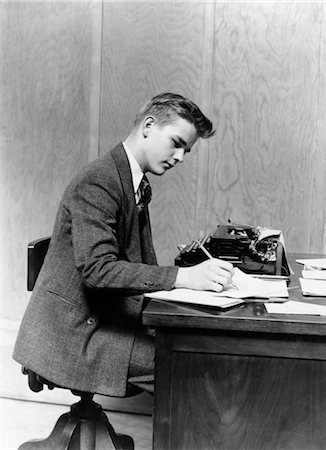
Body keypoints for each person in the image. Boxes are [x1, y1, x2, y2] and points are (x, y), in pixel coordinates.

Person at [13, 92, 234, 396]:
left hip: (100, 320)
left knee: (194, 350)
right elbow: (98, 271)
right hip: (72, 335)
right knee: (188, 364)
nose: (180, 157)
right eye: (177, 143)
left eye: (187, 151)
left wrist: (189, 283)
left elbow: (136, 263)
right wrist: (184, 278)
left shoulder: (134, 181)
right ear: (148, 126)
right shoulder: (100, 181)